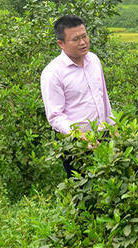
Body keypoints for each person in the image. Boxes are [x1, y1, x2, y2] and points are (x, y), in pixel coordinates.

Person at [40, 15, 114, 176]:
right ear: (61, 44)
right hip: (76, 142)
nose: (83, 42)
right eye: (76, 39)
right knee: (83, 190)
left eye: (84, 36)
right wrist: (79, 136)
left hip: (103, 133)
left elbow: (103, 97)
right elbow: (55, 116)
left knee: (110, 185)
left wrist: (113, 125)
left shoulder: (94, 60)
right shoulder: (53, 73)